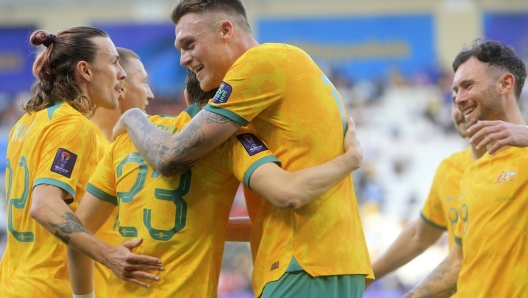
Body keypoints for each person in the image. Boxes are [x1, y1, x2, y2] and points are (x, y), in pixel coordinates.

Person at [115, 1, 373, 296]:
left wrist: (133, 117)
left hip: (300, 264)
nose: (183, 59)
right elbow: (277, 205)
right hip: (338, 261)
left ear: (226, 29)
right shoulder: (289, 68)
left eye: (189, 44)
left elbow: (170, 157)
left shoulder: (259, 62)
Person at [68, 68, 363, 297]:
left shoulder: (127, 140)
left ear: (186, 97)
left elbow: (77, 235)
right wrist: (350, 159)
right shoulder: (232, 141)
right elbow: (287, 192)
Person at [0, 27, 161, 298]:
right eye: (113, 62)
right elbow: (44, 204)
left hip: (13, 283)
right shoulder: (74, 125)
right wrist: (110, 255)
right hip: (49, 288)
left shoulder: (26, 123)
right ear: (85, 71)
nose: (121, 73)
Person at [405, 40, 528, 297]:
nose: (459, 99)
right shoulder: (473, 171)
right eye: (455, 91)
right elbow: (458, 261)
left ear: (505, 84)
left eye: (468, 86)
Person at [366, 102, 472, 288]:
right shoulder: (450, 168)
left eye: (468, 89)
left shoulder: (519, 162)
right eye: (455, 99)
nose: (459, 109)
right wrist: (368, 278)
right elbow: (420, 235)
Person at [88, 47, 154, 298]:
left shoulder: (120, 147)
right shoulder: (83, 142)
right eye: (145, 82)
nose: (150, 93)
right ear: (121, 84)